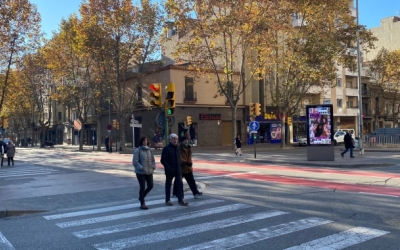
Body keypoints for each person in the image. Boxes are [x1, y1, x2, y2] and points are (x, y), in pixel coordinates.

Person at [161, 133, 188, 206]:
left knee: (180, 184)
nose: (175, 140)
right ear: (170, 140)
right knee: (168, 185)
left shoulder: (178, 148)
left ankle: (181, 199)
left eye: (176, 139)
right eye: (174, 139)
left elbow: (179, 158)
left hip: (178, 170)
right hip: (170, 170)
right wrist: (168, 167)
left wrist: (184, 163)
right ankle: (167, 200)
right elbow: (163, 160)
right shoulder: (166, 148)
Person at [133, 136, 155, 210]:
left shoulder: (150, 150)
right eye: (144, 140)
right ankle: (142, 203)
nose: (145, 142)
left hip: (149, 171)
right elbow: (135, 162)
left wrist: (153, 166)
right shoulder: (138, 150)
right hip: (141, 172)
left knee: (151, 185)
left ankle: (141, 197)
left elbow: (153, 159)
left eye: (146, 140)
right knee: (142, 187)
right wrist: (141, 168)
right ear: (141, 141)